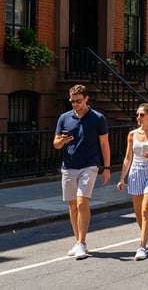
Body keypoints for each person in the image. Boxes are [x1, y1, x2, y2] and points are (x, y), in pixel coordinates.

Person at [54, 84, 112, 260]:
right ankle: (77, 240)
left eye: (78, 101)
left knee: (81, 203)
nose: (75, 104)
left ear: (86, 99)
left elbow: (104, 144)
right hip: (69, 165)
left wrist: (107, 168)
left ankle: (82, 243)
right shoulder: (64, 118)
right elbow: (55, 144)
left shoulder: (98, 118)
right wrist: (62, 141)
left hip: (89, 165)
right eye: (72, 101)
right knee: (72, 205)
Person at [116, 103, 148, 261]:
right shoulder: (132, 134)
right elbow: (127, 157)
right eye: (137, 115)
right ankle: (147, 235)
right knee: (138, 212)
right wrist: (122, 178)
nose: (138, 118)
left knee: (146, 210)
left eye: (142, 115)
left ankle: (142, 245)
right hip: (136, 171)